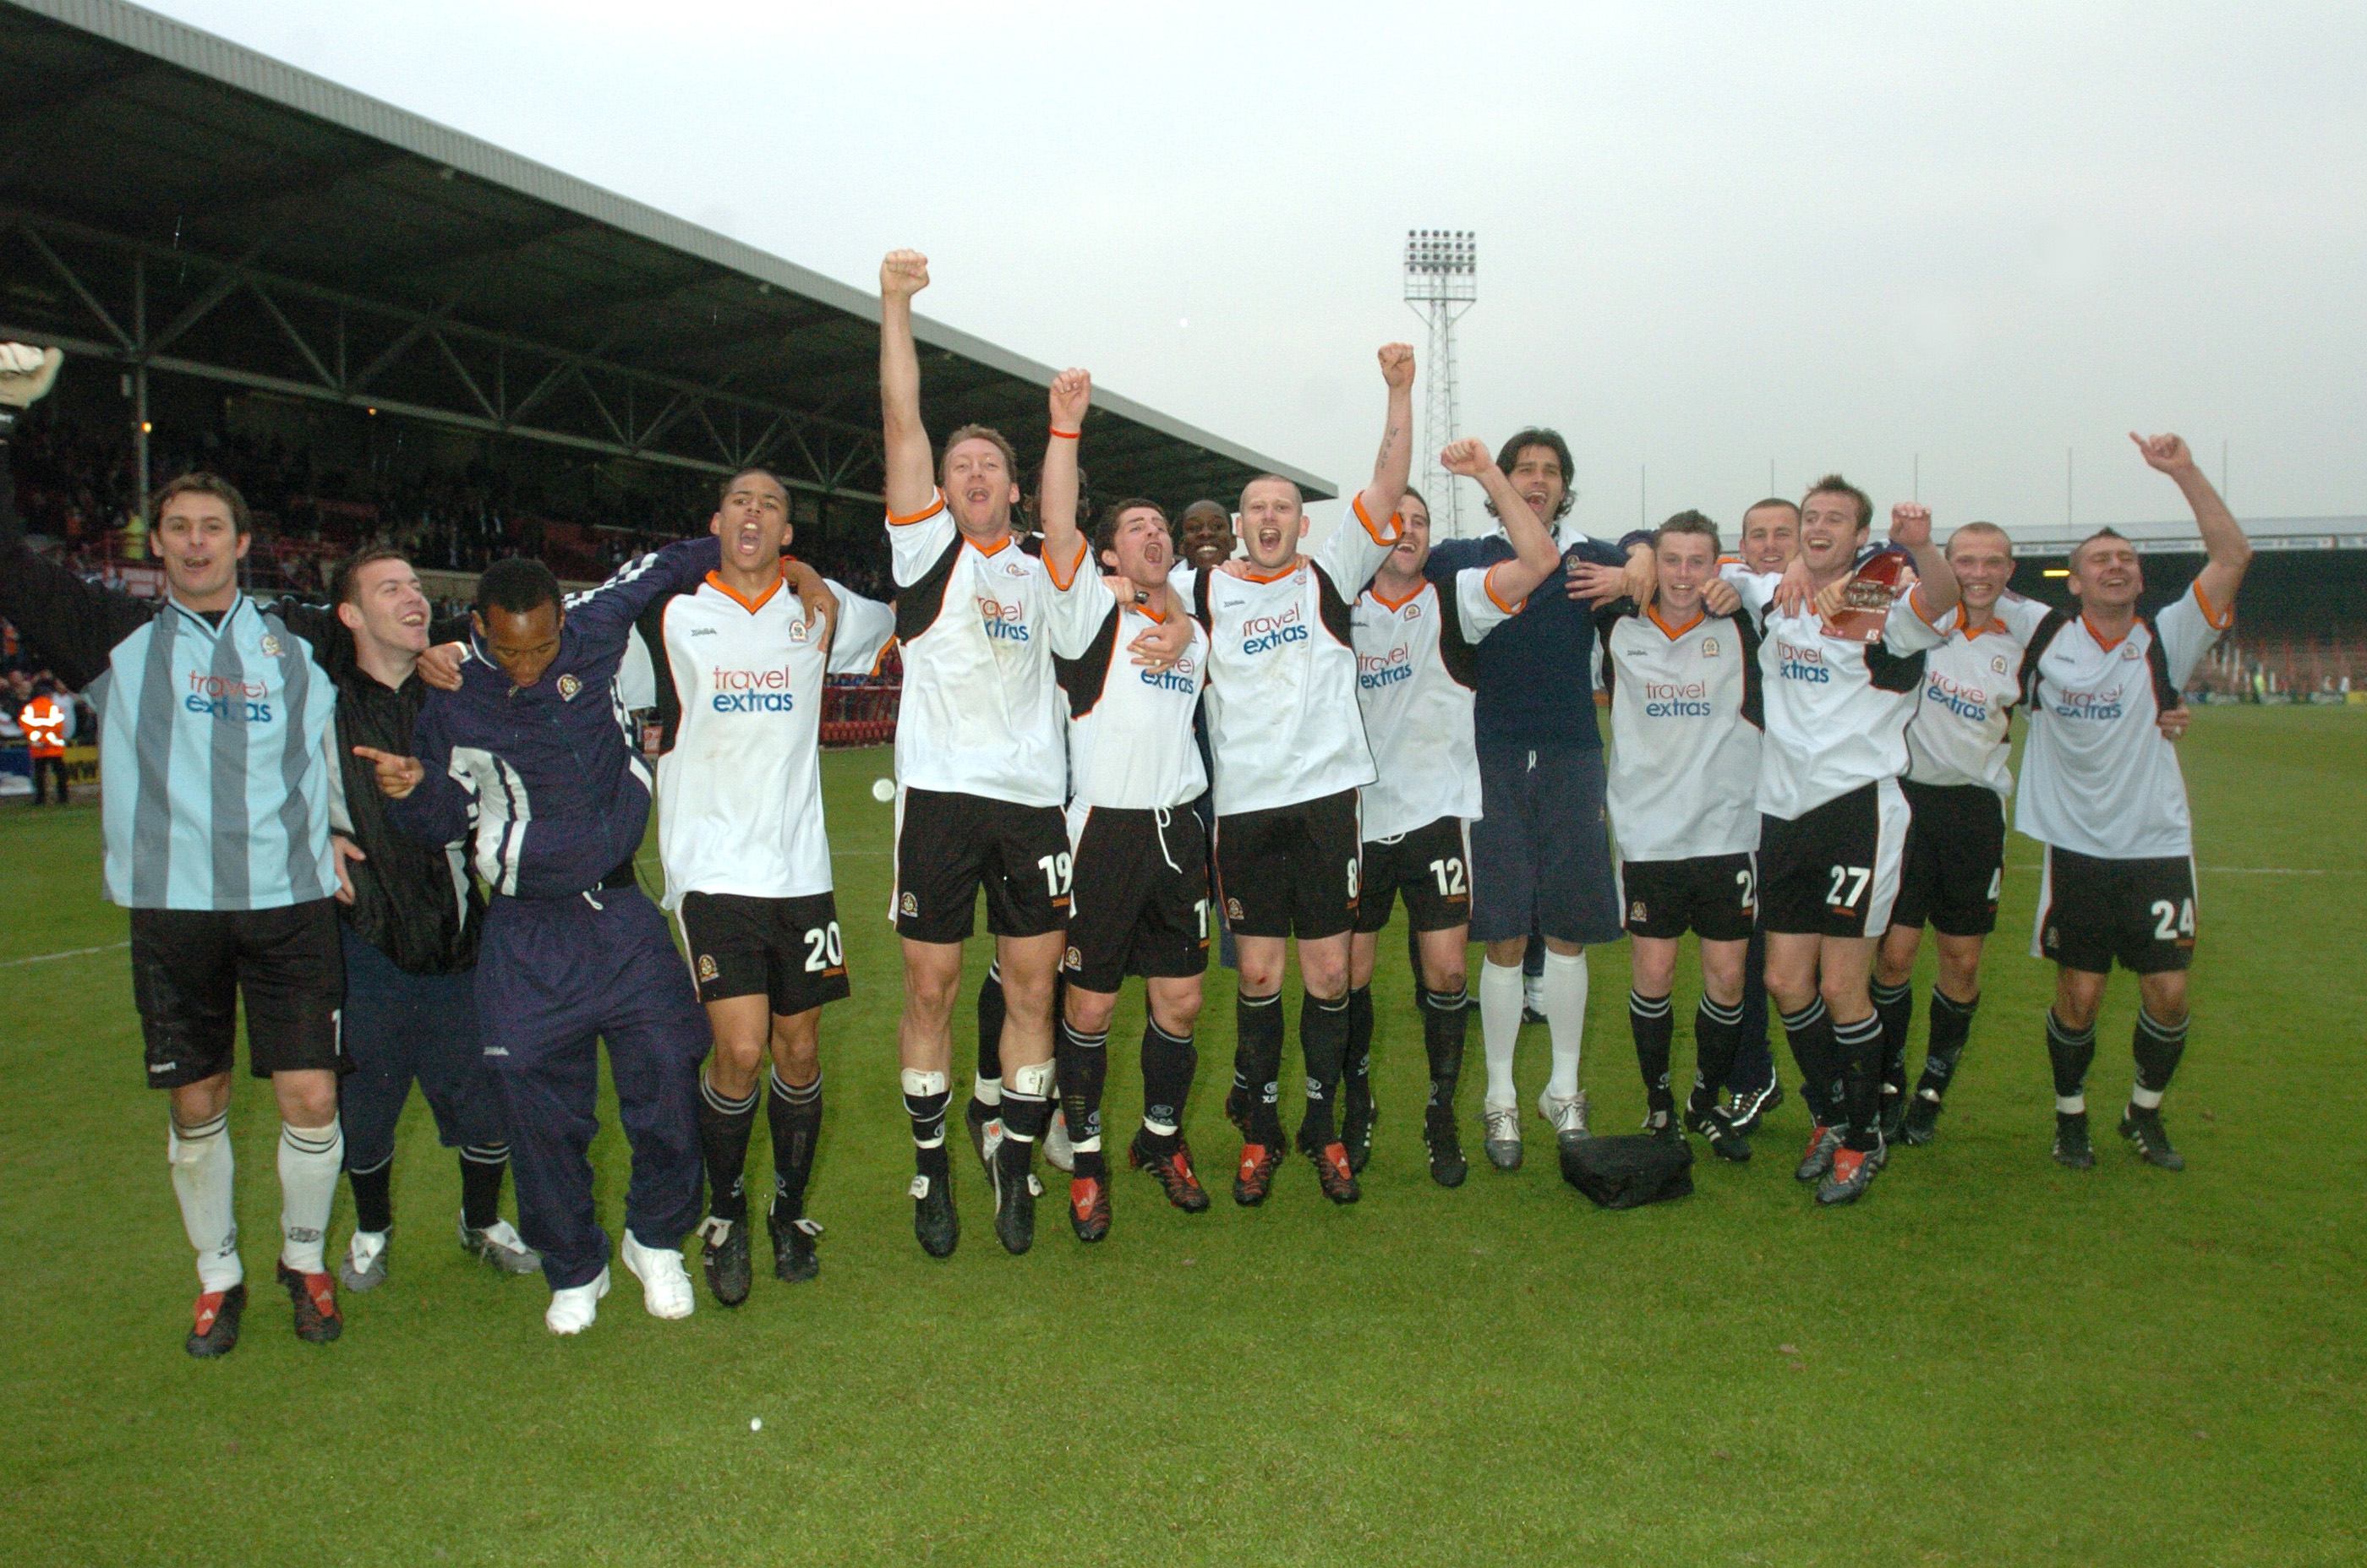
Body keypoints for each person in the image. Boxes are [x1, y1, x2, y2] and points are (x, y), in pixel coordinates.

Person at [359, 538, 810, 1333]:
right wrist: (413, 791)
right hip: (527, 928)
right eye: (510, 650)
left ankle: (654, 1239)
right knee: (538, 1106)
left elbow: (671, 563)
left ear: (561, 622)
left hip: (620, 913)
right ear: (478, 628)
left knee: (669, 1072)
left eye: (541, 647)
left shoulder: (596, 626)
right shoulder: (454, 700)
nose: (528, 665)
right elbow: (444, 820)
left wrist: (776, 559)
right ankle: (575, 1265)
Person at [1, 341, 351, 1357]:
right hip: (173, 909)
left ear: (243, 543)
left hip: (289, 904)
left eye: (213, 528)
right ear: (155, 543)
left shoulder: (298, 641)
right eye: (179, 528)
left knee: (312, 1096)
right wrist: (6, 420)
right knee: (198, 1102)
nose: (196, 543)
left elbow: (396, 639)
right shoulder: (114, 636)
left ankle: (305, 1260)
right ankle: (217, 1275)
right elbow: (7, 565)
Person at [877, 250, 1113, 1257]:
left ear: (1015, 488)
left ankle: (1014, 1161)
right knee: (930, 989)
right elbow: (902, 420)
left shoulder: (1044, 571)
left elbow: (1064, 522)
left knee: (1031, 989)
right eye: (958, 466)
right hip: (937, 797)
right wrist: (895, 306)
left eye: (989, 466)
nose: (972, 475)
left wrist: (1063, 427)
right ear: (940, 487)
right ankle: (931, 1165)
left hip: (1029, 805)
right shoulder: (924, 552)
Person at [616, 467, 894, 1303]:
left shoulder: (820, 611)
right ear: (716, 522)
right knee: (740, 1049)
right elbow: (578, 658)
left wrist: (810, 581)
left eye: (771, 504)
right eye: (740, 500)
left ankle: (787, 1211)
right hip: (711, 871)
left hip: (800, 871)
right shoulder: (671, 614)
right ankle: (726, 1210)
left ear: (786, 533)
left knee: (799, 1049)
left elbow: (899, 616)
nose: (754, 511)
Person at [1189, 343, 1414, 1206]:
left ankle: (1325, 1128)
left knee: (1327, 976)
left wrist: (1398, 391)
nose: (1269, 517)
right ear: (1239, 524)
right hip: (1246, 811)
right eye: (1256, 507)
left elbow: (1387, 487)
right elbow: (1127, 587)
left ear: (1302, 523)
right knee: (1257, 978)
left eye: (1282, 506)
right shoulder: (1206, 591)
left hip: (1324, 805)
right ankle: (1260, 1131)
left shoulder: (1328, 577)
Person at [1720, 479, 1960, 1205]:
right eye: (1811, 518)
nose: (1819, 527)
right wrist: (1786, 567)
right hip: (1783, 810)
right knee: (1785, 981)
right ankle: (1831, 1114)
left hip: (1858, 809)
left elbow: (1942, 598)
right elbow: (1715, 566)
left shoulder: (1885, 603)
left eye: (1836, 519)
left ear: (1861, 537)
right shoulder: (1773, 593)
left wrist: (1919, 546)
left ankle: (1863, 1136)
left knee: (1840, 987)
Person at [2017, 434, 2249, 1172]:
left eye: (2125, 558)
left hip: (2157, 842)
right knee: (2080, 995)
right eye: (2099, 559)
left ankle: (2143, 1112)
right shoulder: (2043, 640)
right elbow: (1965, 599)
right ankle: (2070, 1116)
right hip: (2077, 847)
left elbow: (2232, 557)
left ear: (2140, 578)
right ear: (2076, 580)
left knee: (2170, 993)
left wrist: (2184, 472)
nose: (2115, 565)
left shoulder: (2168, 639)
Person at [1424, 431, 1652, 1170]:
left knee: (1568, 930)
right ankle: (1500, 1097)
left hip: (1573, 754)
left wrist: (1640, 561)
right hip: (1491, 757)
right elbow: (1391, 558)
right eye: (1523, 468)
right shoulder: (1466, 556)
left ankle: (1563, 1088)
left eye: (1551, 470)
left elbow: (1652, 551)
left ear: (1566, 486)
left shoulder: (1593, 557)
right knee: (1502, 935)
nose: (1537, 479)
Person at [1029, 370, 1216, 1238]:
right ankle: (1088, 1156)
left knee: (1180, 1002)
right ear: (1108, 556)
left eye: (1160, 526)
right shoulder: (1089, 620)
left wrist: (1179, 620)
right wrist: (1065, 429)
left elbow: (1188, 621)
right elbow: (1060, 529)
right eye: (1135, 527)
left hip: (1179, 829)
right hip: (1104, 830)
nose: (1154, 533)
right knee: (1092, 1009)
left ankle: (1161, 1139)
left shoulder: (1191, 629)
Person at [1344, 443, 1561, 1185]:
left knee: (1444, 970)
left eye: (1420, 521)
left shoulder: (1455, 598)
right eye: (1395, 518)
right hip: (1357, 817)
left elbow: (1540, 560)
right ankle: (1358, 1104)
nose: (1407, 530)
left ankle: (1441, 1114)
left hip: (1436, 812)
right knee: (1348, 974)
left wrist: (1490, 476)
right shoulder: (1337, 601)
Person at [324, 548, 538, 1292]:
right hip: (363, 943)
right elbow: (266, 784)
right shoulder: (319, 698)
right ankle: (372, 1229)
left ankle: (481, 1220)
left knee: (486, 1097)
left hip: (460, 937)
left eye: (417, 586)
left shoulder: (455, 692)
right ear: (350, 615)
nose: (413, 596)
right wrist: (312, 837)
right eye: (390, 589)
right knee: (365, 1106)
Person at [1593, 511, 1763, 1161]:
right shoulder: (1618, 622)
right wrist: (1634, 551)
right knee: (1655, 971)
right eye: (1671, 560)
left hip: (1726, 830)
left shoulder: (1742, 626)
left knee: (1728, 978)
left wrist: (1740, 587)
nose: (1684, 574)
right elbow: (1582, 557)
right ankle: (1660, 1101)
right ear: (1655, 564)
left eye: (1698, 562)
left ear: (1717, 567)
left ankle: (1706, 1099)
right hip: (1648, 835)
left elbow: (1787, 577)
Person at [1866, 521, 2032, 1146]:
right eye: (1966, 561)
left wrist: (2166, 706)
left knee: (1961, 959)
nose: (1978, 573)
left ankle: (1933, 1085)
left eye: (1992, 562)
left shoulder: (2024, 642)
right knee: (1894, 956)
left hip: (1974, 813)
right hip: (1908, 802)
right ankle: (1887, 1079)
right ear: (1947, 565)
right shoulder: (1916, 622)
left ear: (2009, 571)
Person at [1721, 498, 1803, 1130]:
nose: (1770, 544)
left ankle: (1857, 1086)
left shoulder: (1853, 594)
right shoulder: (1733, 588)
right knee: (1746, 947)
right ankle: (1753, 1074)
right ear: (1743, 545)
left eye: (1784, 534)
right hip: (1752, 797)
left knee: (1836, 958)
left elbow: (1896, 565)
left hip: (1833, 798)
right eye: (1758, 535)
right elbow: (1660, 554)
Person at [18, 674, 70, 804]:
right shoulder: (53, 708)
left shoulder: (29, 709)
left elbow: (25, 727)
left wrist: (40, 741)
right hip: (54, 747)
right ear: (48, 695)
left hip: (38, 748)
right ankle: (63, 798)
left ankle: (40, 799)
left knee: (39, 775)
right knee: (60, 773)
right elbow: (59, 726)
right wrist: (47, 740)